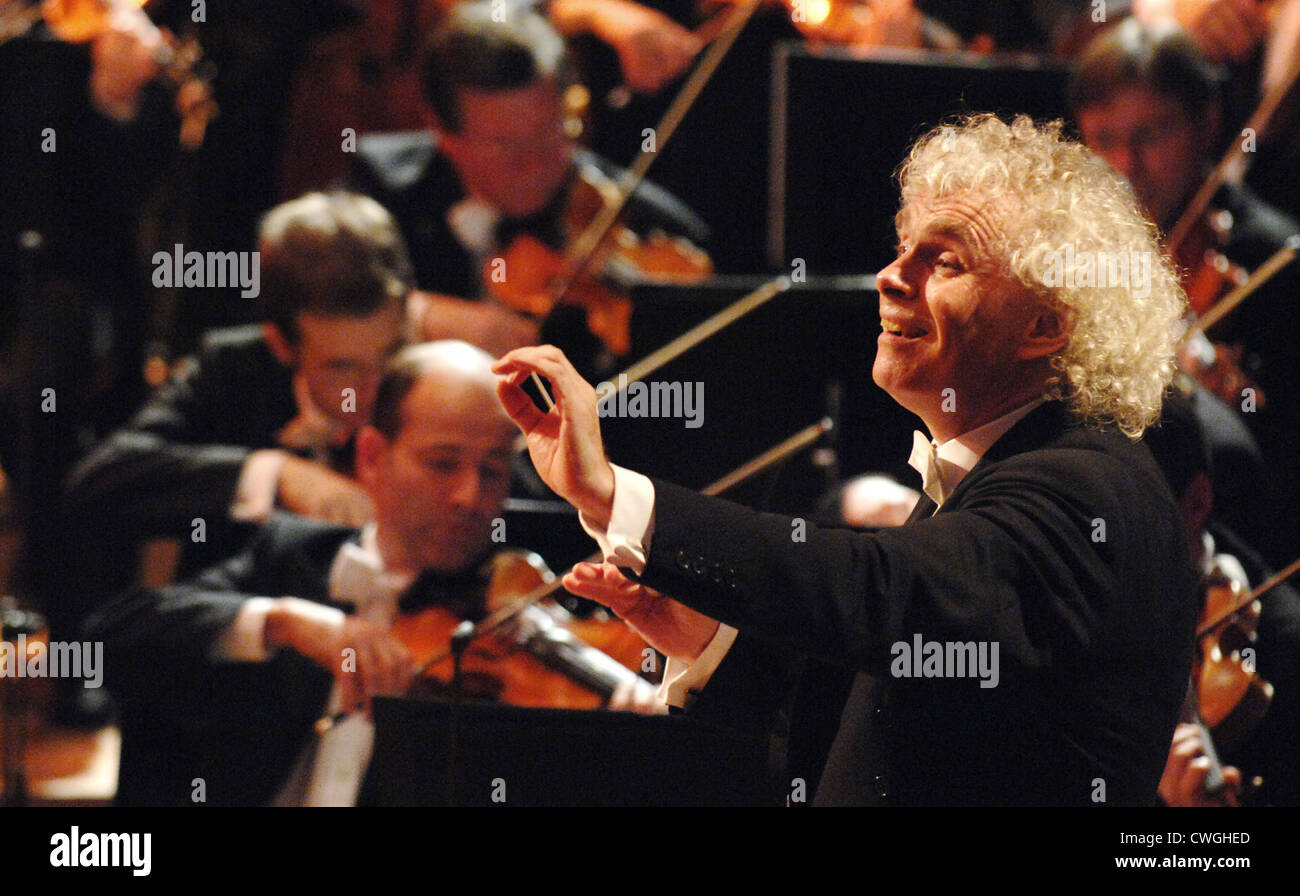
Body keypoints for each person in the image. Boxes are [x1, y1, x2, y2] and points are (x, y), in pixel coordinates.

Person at [495, 114, 1198, 806]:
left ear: (1046, 325)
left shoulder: (1079, 487)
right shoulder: (1000, 468)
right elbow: (892, 706)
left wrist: (615, 493)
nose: (893, 276)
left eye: (945, 260)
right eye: (903, 247)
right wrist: (710, 637)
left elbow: (877, 591)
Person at [88, 340, 658, 805]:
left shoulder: (511, 618)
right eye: (443, 463)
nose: (471, 496)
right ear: (372, 459)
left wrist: (627, 721)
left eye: (493, 470)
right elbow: (111, 638)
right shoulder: (292, 556)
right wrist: (287, 623)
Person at [62, 192, 413, 625]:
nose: (376, 390)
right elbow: (97, 482)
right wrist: (276, 475)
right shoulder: (231, 373)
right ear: (280, 344)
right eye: (343, 367)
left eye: (391, 353)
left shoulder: (432, 376)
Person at [348, 0, 709, 364]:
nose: (532, 163)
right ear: (441, 131)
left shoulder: (645, 223)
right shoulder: (381, 186)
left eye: (548, 132)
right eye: (503, 145)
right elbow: (310, 292)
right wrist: (419, 314)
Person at [1070, 17, 1300, 567]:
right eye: (1104, 140)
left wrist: (1219, 406)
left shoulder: (1273, 259)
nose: (1127, 166)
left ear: (1208, 123)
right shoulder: (1076, 248)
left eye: (1151, 135)